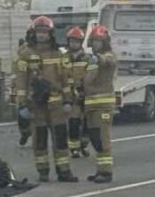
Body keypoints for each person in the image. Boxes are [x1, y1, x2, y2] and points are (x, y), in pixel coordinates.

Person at [16, 16, 78, 182]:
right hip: (37, 104)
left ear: (51, 34)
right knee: (40, 140)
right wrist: (22, 103)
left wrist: (68, 100)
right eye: (39, 32)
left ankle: (64, 171)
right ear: (33, 33)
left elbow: (66, 79)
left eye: (44, 32)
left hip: (57, 104)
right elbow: (21, 81)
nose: (41, 35)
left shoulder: (59, 54)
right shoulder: (26, 54)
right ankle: (43, 172)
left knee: (61, 139)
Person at [82, 24, 118, 183]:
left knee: (103, 139)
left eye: (99, 41)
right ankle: (100, 170)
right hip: (90, 104)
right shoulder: (91, 59)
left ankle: (106, 172)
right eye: (94, 40)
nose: (96, 43)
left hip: (104, 105)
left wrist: (99, 58)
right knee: (95, 139)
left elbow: (108, 61)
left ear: (105, 42)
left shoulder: (108, 56)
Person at [64, 26, 91, 159]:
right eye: (71, 41)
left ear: (81, 42)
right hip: (70, 95)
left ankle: (84, 145)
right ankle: (74, 148)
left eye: (76, 41)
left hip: (85, 93)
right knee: (73, 122)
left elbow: (91, 75)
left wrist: (85, 89)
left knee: (87, 122)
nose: (73, 44)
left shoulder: (87, 58)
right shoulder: (64, 58)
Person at [9, 32, 33, 145]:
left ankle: (31, 133)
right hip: (22, 91)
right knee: (21, 114)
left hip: (32, 90)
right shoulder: (17, 61)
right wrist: (13, 91)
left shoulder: (34, 57)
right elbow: (14, 77)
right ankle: (25, 133)